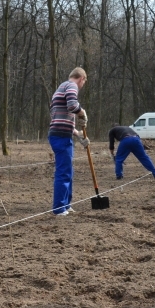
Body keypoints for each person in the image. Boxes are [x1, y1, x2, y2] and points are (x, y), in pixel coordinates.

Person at [49, 67, 89, 216]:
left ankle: (66, 205)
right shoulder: (71, 86)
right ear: (81, 79)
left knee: (68, 171)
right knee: (64, 172)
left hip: (62, 134)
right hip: (60, 137)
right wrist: (82, 112)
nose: (82, 85)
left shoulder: (59, 89)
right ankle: (59, 209)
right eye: (84, 82)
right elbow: (72, 106)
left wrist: (78, 134)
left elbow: (59, 118)